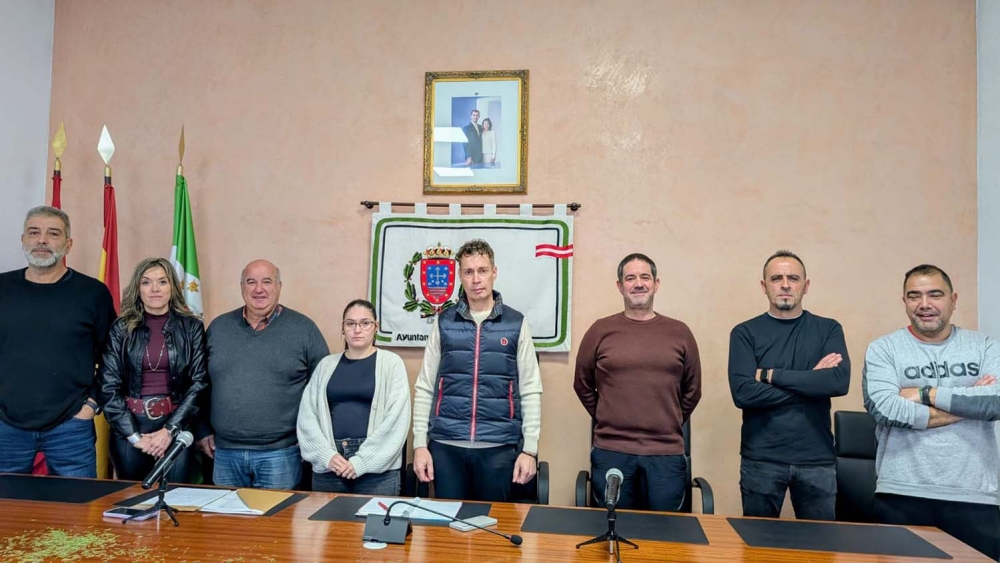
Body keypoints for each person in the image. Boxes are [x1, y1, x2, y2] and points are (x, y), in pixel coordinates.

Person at [863, 264, 1000, 560]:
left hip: (975, 495)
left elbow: (996, 401)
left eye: (935, 294)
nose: (924, 304)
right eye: (914, 296)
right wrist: (971, 403)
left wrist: (925, 393)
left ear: (953, 300)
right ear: (904, 301)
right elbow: (886, 409)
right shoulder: (884, 349)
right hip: (902, 492)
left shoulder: (985, 347)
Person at [412, 239, 543, 501]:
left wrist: (530, 450)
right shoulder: (444, 322)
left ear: (494, 272)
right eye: (469, 272)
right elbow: (425, 386)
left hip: (498, 447)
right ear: (460, 276)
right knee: (448, 522)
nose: (476, 279)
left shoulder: (516, 323)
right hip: (446, 446)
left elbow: (530, 388)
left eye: (482, 271)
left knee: (493, 521)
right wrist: (419, 445)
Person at [728, 250, 850, 520]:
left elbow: (838, 382)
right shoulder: (745, 333)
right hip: (761, 459)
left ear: (806, 285)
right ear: (764, 286)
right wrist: (811, 380)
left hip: (817, 460)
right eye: (776, 278)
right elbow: (743, 394)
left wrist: (771, 375)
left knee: (820, 544)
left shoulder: (829, 329)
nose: (785, 284)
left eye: (793, 278)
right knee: (757, 541)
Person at [574, 253, 702, 511]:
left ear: (656, 284)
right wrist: (608, 415)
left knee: (666, 531)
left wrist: (668, 419)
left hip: (665, 453)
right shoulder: (600, 330)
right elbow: (582, 383)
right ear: (620, 286)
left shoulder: (680, 332)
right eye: (630, 278)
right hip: (612, 450)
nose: (639, 284)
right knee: (613, 528)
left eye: (645, 277)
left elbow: (693, 389)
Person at [0, 206, 116, 477]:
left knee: (77, 503)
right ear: (23, 239)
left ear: (68, 244)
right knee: (5, 503)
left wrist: (91, 405)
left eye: (53, 233)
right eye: (34, 232)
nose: (42, 240)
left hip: (71, 426)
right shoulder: (2, 289)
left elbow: (113, 357)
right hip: (6, 426)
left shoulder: (92, 293)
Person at [196, 259, 329, 490]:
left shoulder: (304, 329)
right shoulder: (218, 328)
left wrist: (311, 439)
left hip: (281, 454)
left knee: (277, 515)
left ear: (279, 286)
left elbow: (323, 388)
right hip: (224, 452)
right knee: (225, 514)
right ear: (241, 287)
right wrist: (202, 429)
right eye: (251, 282)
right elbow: (200, 384)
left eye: (267, 281)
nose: (259, 289)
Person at [99, 257, 208, 482]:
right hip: (129, 426)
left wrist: (169, 430)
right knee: (131, 497)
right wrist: (135, 437)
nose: (155, 289)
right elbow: (108, 385)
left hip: (175, 424)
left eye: (162, 282)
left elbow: (199, 383)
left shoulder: (192, 327)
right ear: (138, 289)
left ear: (172, 287)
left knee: (175, 496)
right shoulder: (121, 328)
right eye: (146, 282)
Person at [297, 299, 410, 494]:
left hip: (378, 471)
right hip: (331, 466)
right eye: (350, 324)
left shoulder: (392, 364)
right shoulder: (325, 366)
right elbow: (307, 417)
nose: (357, 330)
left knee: (373, 516)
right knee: (327, 516)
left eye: (365, 323)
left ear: (376, 327)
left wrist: (361, 462)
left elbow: (397, 420)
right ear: (343, 328)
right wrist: (327, 456)